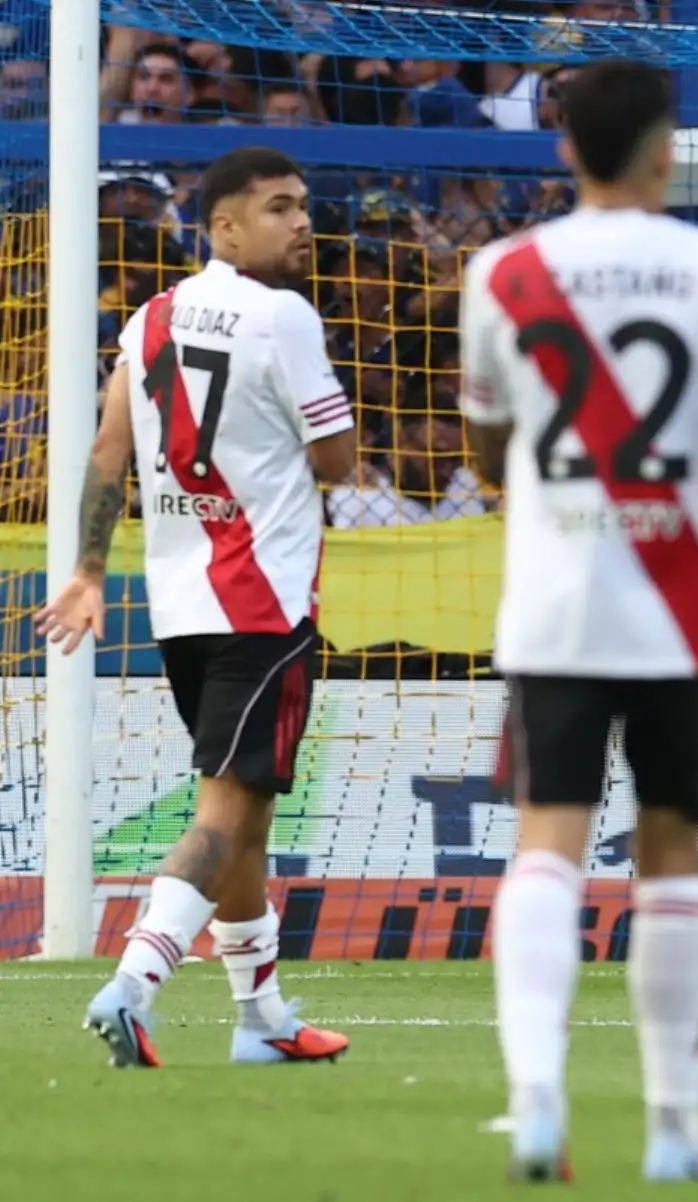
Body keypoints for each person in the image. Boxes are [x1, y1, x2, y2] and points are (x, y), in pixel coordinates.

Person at [457, 60, 698, 1184]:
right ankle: (670, 1127)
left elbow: (484, 449)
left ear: (563, 149)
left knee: (547, 836)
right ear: (665, 151)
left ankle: (538, 1098)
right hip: (682, 609)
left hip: (553, 600)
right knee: (671, 854)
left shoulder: (503, 272)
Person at [36, 147, 356, 1068]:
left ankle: (263, 1018)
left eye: (303, 206)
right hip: (264, 604)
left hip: (179, 606)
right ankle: (132, 984)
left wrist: (90, 572)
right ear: (224, 227)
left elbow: (108, 451)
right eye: (279, 208)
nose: (301, 223)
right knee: (225, 814)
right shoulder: (284, 316)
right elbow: (338, 464)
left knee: (245, 822)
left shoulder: (148, 319)